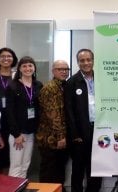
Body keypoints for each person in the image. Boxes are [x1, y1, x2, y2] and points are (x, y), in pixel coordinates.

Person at [65, 49, 102, 192]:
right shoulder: (72, 82)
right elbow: (69, 111)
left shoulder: (101, 78)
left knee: (96, 167)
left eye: (88, 60)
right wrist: (75, 134)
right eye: (82, 60)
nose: (86, 63)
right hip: (80, 133)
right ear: (78, 62)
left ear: (93, 60)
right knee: (78, 168)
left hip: (98, 130)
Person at [6, 56, 43, 178]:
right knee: (16, 166)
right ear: (20, 69)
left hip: (31, 132)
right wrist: (16, 134)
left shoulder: (38, 85)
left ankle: (21, 188)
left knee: (25, 165)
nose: (28, 68)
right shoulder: (12, 86)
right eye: (24, 66)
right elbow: (9, 112)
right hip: (18, 133)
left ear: (34, 68)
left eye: (30, 65)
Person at [36, 60, 69, 191]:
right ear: (53, 71)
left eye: (66, 69)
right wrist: (61, 136)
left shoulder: (63, 86)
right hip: (50, 138)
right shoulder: (50, 88)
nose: (63, 71)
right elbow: (53, 115)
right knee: (49, 172)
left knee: (59, 171)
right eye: (60, 69)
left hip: (61, 137)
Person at [0, 47, 18, 174]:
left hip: (12, 119)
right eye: (2, 56)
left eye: (9, 56)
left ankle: (9, 182)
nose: (6, 59)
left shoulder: (16, 76)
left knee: (11, 153)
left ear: (13, 59)